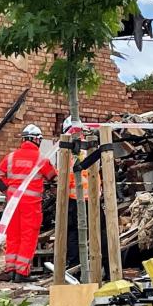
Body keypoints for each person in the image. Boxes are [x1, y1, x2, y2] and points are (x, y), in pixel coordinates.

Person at [0, 124, 57, 282]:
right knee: (28, 236)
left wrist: (8, 191)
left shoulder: (11, 157)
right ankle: (22, 272)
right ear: (37, 140)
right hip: (31, 204)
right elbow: (53, 178)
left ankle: (11, 270)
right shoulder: (41, 159)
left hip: (12, 203)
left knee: (13, 235)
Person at [62, 116, 108, 277]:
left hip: (74, 199)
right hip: (93, 198)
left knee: (73, 235)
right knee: (100, 234)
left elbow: (61, 175)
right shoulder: (91, 148)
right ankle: (107, 269)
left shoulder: (65, 150)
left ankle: (75, 270)